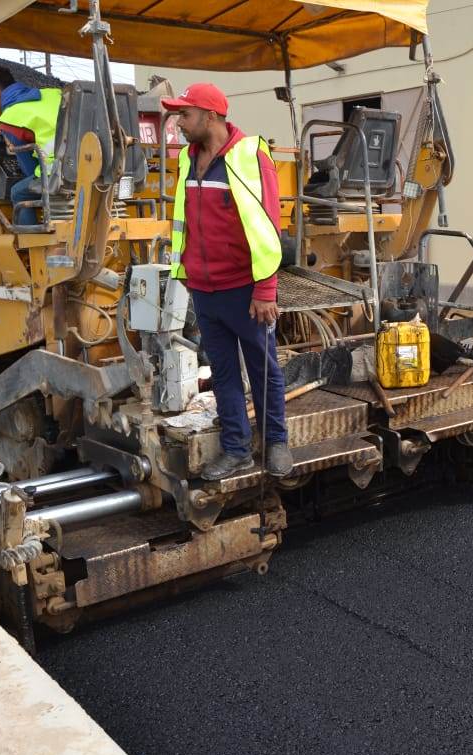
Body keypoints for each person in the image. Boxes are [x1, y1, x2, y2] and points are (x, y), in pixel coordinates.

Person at [162, 83, 292, 481]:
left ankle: (276, 442)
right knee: (222, 373)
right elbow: (186, 222)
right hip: (204, 290)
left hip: (244, 290)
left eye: (185, 115)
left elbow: (269, 226)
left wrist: (265, 289)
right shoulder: (188, 159)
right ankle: (237, 450)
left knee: (262, 368)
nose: (178, 123)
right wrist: (186, 274)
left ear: (211, 116)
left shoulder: (249, 157)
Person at [0, 66, 62, 227]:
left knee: (18, 192)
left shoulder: (10, 118)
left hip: (56, 171)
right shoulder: (52, 94)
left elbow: (29, 168)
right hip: (83, 164)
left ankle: (28, 238)